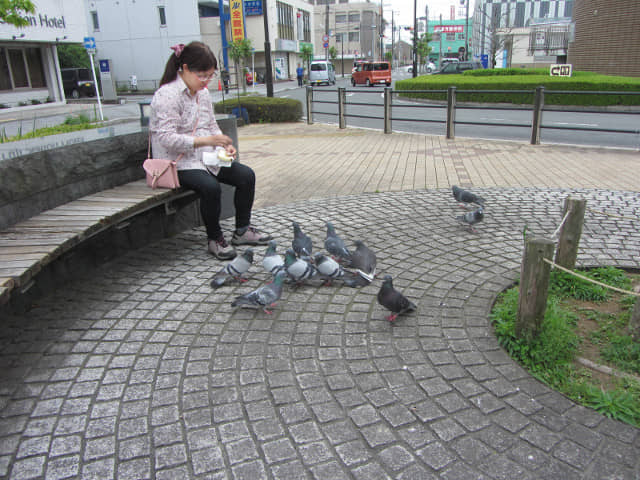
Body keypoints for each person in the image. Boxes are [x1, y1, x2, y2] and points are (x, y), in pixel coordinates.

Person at [150, 41, 271, 260]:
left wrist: (224, 144)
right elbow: (166, 139)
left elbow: (211, 124)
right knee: (210, 187)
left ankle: (242, 230)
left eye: (210, 75)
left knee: (246, 175)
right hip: (176, 162)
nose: (206, 81)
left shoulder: (202, 93)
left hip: (205, 157)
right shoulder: (166, 95)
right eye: (202, 75)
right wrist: (206, 140)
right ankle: (215, 239)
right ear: (185, 69)